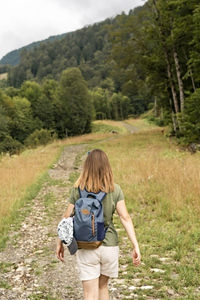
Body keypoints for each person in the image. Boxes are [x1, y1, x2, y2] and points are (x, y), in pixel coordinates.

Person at [56, 149, 141, 300]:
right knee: (103, 287)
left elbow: (66, 218)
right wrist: (135, 245)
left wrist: (60, 243)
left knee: (90, 294)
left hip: (85, 245)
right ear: (107, 166)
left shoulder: (77, 189)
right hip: (109, 246)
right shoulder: (114, 189)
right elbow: (125, 217)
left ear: (86, 166)